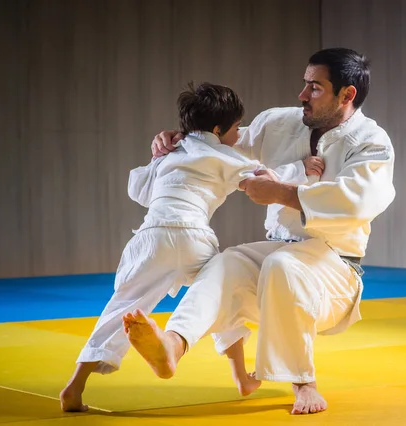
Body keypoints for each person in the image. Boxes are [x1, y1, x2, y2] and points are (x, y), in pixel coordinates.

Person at [123, 47, 396, 415]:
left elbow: (359, 201)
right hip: (278, 256)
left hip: (333, 270)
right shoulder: (279, 123)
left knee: (284, 265)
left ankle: (304, 382)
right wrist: (181, 139)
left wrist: (283, 192)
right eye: (304, 84)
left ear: (347, 95)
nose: (302, 95)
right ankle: (173, 344)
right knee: (226, 262)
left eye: (315, 88)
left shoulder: (371, 143)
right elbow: (220, 140)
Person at [60, 82, 287, 412]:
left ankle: (74, 388)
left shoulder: (169, 152)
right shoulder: (223, 154)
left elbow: (140, 191)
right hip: (193, 236)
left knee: (120, 307)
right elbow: (261, 181)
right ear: (218, 128)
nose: (239, 135)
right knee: (221, 296)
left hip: (151, 237)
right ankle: (241, 376)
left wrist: (158, 159)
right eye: (237, 127)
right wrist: (297, 173)